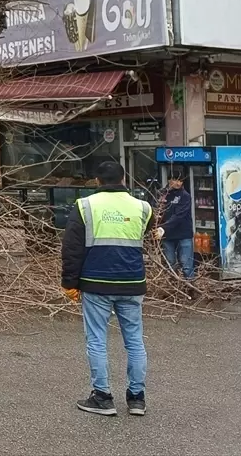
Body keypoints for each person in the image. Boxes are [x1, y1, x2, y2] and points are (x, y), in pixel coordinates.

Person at [61, 160, 152, 417]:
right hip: (133, 283)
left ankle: (102, 397)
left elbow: (72, 249)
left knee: (97, 340)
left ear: (97, 182)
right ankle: (137, 399)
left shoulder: (85, 206)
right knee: (134, 341)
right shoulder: (143, 208)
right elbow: (148, 236)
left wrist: (69, 283)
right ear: (123, 180)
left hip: (96, 282)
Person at [158, 172, 196, 280]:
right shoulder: (162, 194)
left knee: (186, 265)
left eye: (181, 180)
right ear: (170, 180)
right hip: (167, 235)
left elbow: (179, 215)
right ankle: (173, 290)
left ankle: (191, 289)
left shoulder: (185, 196)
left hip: (183, 234)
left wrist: (163, 228)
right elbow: (157, 210)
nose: (179, 183)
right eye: (176, 180)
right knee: (170, 264)